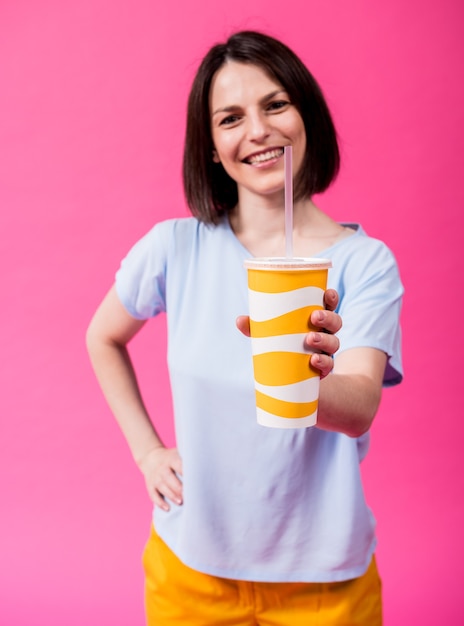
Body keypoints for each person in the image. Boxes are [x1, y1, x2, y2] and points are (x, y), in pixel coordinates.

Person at [86, 30, 403, 625]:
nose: (257, 130)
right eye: (230, 118)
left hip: (324, 581)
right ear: (210, 146)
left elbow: (358, 407)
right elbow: (101, 336)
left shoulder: (365, 263)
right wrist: (148, 453)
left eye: (275, 105)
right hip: (191, 568)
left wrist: (298, 360)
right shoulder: (174, 248)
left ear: (306, 115)